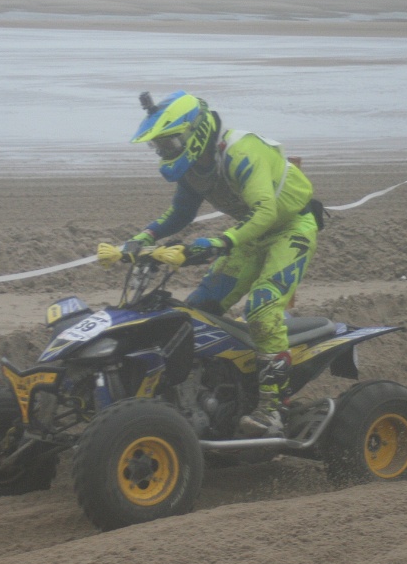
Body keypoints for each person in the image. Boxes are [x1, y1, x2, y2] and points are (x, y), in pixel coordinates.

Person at [118, 90, 321, 437]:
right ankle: (206, 398)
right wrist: (144, 237)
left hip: (290, 229)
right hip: (249, 235)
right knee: (194, 312)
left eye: (170, 143)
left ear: (195, 131)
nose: (165, 152)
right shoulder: (195, 169)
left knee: (261, 309)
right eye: (159, 147)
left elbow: (265, 211)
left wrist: (219, 242)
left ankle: (272, 410)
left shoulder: (240, 152)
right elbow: (180, 213)